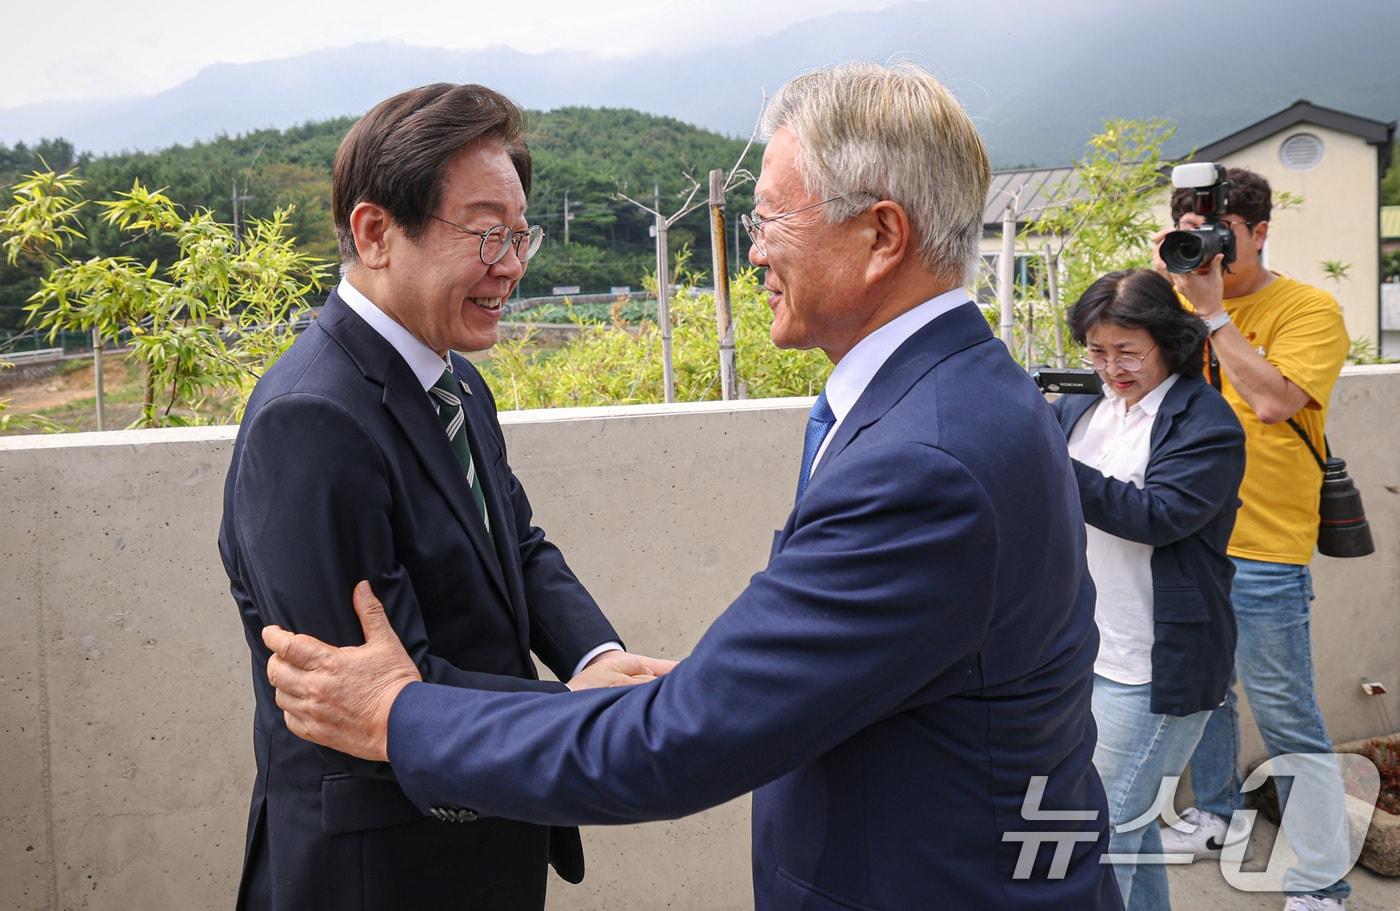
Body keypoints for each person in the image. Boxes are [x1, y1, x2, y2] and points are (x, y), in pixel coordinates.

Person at [260, 63, 1123, 910]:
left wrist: (402, 715)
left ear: (881, 236)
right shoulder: (963, 400)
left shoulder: (923, 458)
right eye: (488, 233)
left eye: (770, 218)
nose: (750, 250)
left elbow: (675, 741)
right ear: (375, 233)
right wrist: (653, 687)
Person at [218, 83, 671, 911]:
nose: (512, 264)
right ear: (375, 232)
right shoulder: (312, 421)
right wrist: (570, 712)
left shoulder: (453, 379)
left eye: (519, 233)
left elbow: (519, 546)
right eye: (487, 232)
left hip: (482, 833)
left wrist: (595, 655)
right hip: (384, 870)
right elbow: (367, 692)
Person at [1154, 167, 1353, 910]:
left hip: (1266, 544)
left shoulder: (1309, 308)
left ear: (1260, 232)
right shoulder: (1172, 302)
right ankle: (1214, 817)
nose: (1206, 250)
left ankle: (1323, 880)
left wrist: (1211, 317)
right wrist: (1157, 292)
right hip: (1185, 533)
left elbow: (1272, 401)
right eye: (1191, 231)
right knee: (1202, 696)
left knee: (1286, 711)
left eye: (1221, 234)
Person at [1050, 269, 1245, 909]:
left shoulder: (1206, 423)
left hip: (1156, 665)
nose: (1111, 367)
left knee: (1102, 837)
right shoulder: (1081, 406)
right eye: (1098, 351)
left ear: (1169, 341)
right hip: (1083, 650)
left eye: (1128, 351)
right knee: (1128, 832)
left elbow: (1158, 516)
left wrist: (1053, 463)